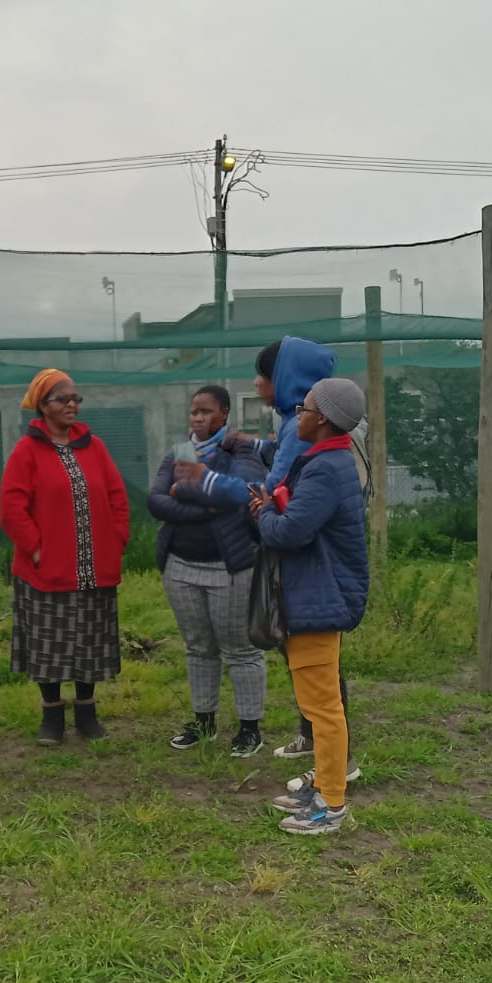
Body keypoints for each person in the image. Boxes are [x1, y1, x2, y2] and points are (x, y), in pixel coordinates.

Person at [176, 336, 351, 765]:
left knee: (313, 657)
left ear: (288, 380)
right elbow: (282, 462)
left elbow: (272, 491)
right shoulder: (299, 425)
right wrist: (255, 445)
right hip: (312, 559)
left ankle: (332, 763)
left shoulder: (302, 428)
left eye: (264, 375)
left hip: (311, 562)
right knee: (311, 656)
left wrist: (209, 482)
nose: (256, 383)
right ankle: (316, 740)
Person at [253, 378, 369, 834]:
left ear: (321, 418)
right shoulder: (326, 460)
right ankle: (323, 782)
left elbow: (288, 532)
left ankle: (332, 806)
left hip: (319, 597)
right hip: (314, 593)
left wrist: (265, 513)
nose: (295, 414)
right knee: (317, 702)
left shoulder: (325, 468)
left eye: (302, 407)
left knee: (322, 707)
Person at [0, 368, 131, 745]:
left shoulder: (95, 446)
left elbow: (117, 497)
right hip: (47, 569)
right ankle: (52, 717)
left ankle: (87, 713)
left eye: (76, 399)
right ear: (43, 407)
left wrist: (116, 538)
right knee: (49, 641)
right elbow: (12, 508)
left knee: (89, 638)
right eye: (63, 399)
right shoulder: (27, 451)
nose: (72, 405)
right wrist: (37, 549)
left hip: (95, 567)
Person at [147, 384, 267, 756]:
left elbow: (240, 496)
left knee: (240, 650)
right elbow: (157, 501)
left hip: (228, 568)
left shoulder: (241, 451)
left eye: (206, 411)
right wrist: (206, 505)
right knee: (199, 648)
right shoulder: (180, 453)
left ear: (225, 414)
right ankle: (204, 722)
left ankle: (250, 729)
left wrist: (191, 491)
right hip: (180, 567)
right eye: (193, 412)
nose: (197, 418)